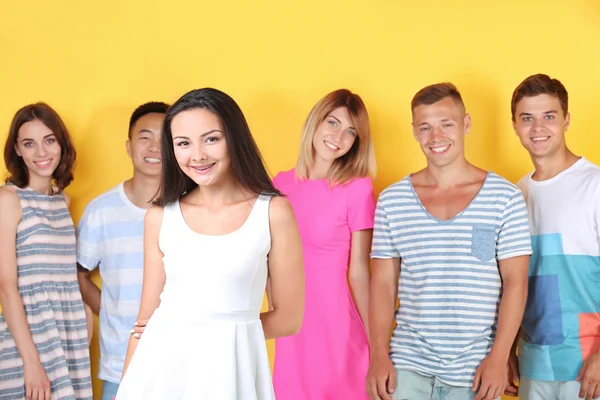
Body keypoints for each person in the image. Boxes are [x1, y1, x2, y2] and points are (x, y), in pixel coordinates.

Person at [114, 87, 305, 399]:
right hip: (158, 375)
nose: (198, 155)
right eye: (183, 143)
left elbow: (289, 319)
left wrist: (220, 334)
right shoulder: (160, 217)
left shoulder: (273, 212)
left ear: (234, 139)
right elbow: (145, 322)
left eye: (211, 139)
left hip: (230, 375)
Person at [366, 83, 532, 400]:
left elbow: (515, 282)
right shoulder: (392, 201)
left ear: (466, 124)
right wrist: (378, 355)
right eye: (425, 127)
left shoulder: (505, 197)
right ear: (414, 131)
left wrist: (499, 357)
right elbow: (383, 283)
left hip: (476, 371)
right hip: (407, 367)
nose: (436, 137)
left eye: (446, 124)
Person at [272, 88, 376, 399]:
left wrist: (378, 344)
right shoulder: (280, 184)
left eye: (350, 132)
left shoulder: (358, 188)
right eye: (332, 123)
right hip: (292, 324)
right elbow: (268, 260)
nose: (339, 137)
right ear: (315, 122)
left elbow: (359, 271)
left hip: (338, 324)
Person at [506, 74, 600, 400]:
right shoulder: (513, 195)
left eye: (549, 116)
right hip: (534, 365)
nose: (537, 128)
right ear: (515, 125)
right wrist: (506, 351)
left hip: (589, 366)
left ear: (567, 120)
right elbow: (513, 281)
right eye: (527, 118)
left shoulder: (595, 186)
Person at [76, 101, 169, 400]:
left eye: (164, 138)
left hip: (180, 361)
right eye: (145, 137)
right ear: (129, 147)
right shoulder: (102, 210)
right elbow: (78, 275)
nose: (155, 147)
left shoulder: (192, 208)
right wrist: (111, 310)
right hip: (120, 365)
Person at [0, 103, 93, 399]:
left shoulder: (62, 202)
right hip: (28, 339)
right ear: (17, 149)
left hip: (69, 334)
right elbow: (6, 287)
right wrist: (31, 362)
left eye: (49, 140)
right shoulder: (8, 200)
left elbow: (67, 276)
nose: (41, 153)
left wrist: (86, 320)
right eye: (29, 143)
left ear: (61, 144)